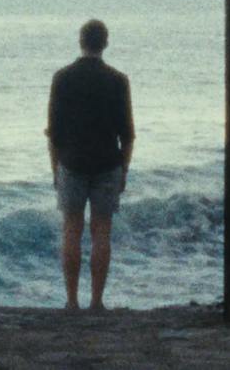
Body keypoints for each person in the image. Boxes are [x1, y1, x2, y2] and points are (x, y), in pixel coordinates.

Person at [45, 17, 136, 311]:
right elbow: (128, 135)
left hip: (71, 162)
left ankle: (71, 301)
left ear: (81, 42)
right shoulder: (118, 80)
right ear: (105, 43)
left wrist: (54, 169)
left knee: (71, 230)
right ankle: (97, 301)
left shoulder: (62, 78)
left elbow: (54, 133)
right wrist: (124, 170)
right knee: (102, 232)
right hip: (108, 164)